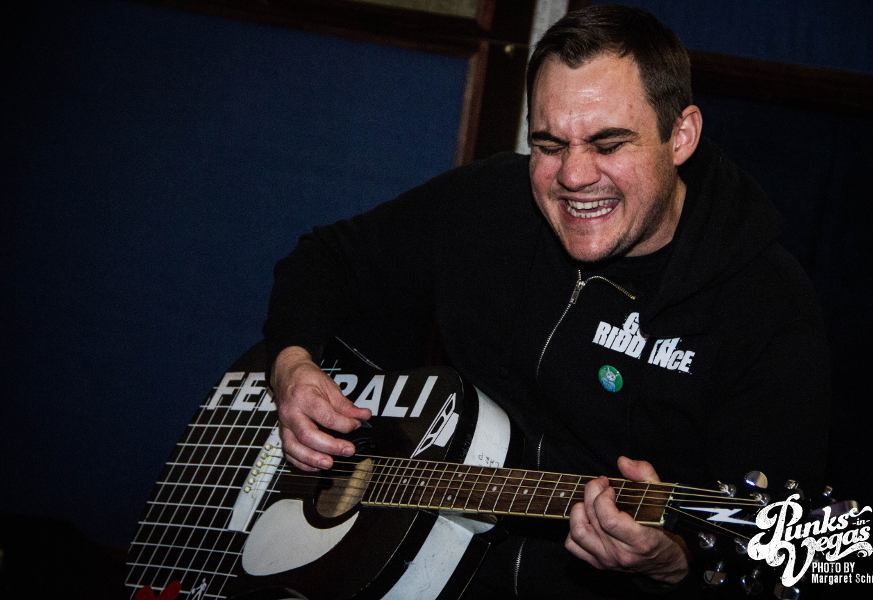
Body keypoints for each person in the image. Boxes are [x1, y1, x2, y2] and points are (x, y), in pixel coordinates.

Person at [263, 5, 830, 598]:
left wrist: (675, 562)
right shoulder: (489, 203)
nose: (574, 176)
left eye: (609, 143)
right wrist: (292, 366)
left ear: (680, 135)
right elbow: (327, 259)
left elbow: (794, 553)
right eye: (549, 144)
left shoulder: (766, 307)